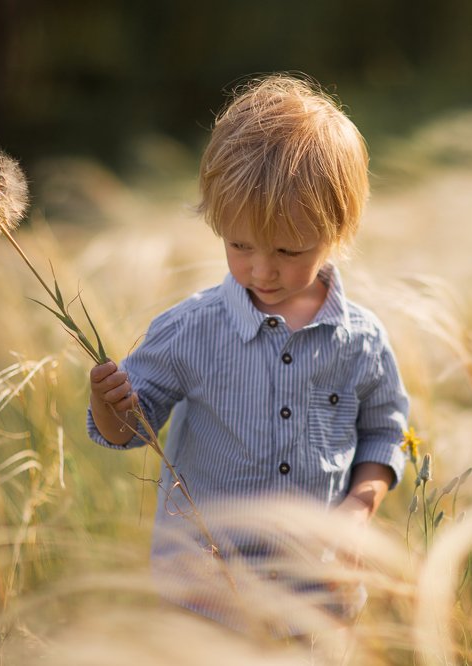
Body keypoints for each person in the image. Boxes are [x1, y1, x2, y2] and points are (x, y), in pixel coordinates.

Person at [86, 73, 408, 630]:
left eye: (288, 250)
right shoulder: (191, 330)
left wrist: (359, 508)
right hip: (207, 597)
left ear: (337, 230)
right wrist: (107, 403)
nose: (261, 269)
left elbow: (385, 433)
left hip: (318, 597)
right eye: (239, 245)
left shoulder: (361, 340)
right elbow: (127, 433)